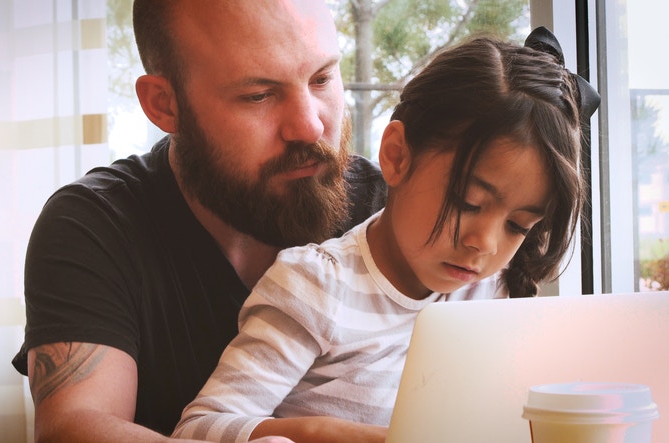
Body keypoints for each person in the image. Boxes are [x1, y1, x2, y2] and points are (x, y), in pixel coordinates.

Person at [171, 27, 601, 443]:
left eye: (517, 226)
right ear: (396, 155)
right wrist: (321, 433)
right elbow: (197, 429)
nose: (485, 244)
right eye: (468, 203)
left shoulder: (491, 292)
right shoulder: (316, 288)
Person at [10, 0, 387, 442]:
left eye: (322, 78)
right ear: (164, 104)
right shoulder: (95, 225)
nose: (308, 126)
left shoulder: (388, 212)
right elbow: (73, 428)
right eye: (258, 95)